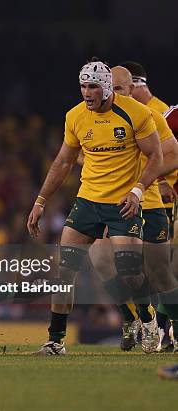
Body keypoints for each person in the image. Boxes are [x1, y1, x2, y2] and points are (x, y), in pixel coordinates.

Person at [27, 59, 163, 355]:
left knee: (129, 270)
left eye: (92, 87)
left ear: (105, 88)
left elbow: (157, 157)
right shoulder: (75, 116)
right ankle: (55, 340)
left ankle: (149, 319)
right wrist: (40, 201)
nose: (86, 93)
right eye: (83, 86)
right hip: (87, 201)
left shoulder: (136, 113)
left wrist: (138, 191)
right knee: (64, 272)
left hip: (123, 203)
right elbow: (63, 161)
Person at [86, 66, 178, 352]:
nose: (115, 95)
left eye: (121, 89)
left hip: (149, 201)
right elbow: (76, 153)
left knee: (159, 272)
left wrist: (147, 180)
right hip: (110, 200)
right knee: (100, 258)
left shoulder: (150, 115)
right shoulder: (92, 116)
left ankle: (166, 329)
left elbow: (172, 152)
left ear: (134, 90)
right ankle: (133, 318)